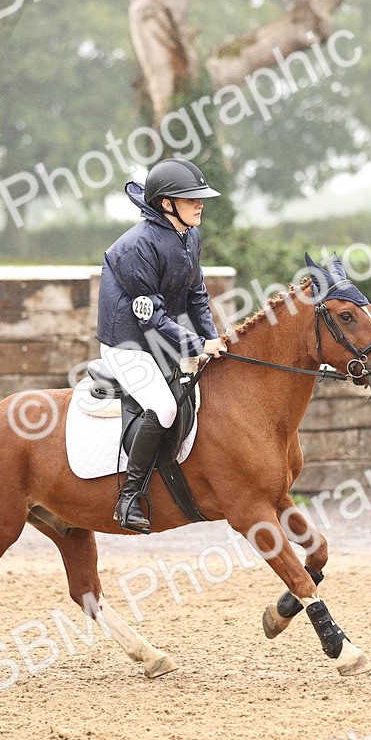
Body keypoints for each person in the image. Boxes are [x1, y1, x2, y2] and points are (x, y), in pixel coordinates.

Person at [96, 158, 228, 533]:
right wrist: (196, 344)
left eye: (200, 198)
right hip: (127, 344)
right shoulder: (137, 247)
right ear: (167, 204)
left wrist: (213, 338)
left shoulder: (190, 234)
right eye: (192, 199)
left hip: (160, 339)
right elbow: (149, 316)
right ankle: (128, 497)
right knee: (165, 408)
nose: (201, 204)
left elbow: (197, 296)